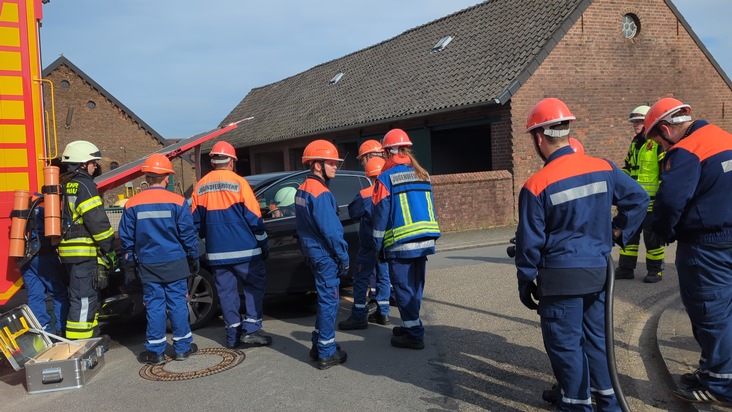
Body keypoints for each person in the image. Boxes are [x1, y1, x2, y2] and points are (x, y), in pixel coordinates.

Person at [514, 98, 648, 411]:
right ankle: (608, 400)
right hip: (599, 271)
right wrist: (618, 232)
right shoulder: (603, 168)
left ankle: (575, 405)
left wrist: (525, 281)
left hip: (560, 280)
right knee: (597, 339)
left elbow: (529, 243)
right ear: (567, 130)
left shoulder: (536, 185)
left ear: (538, 138)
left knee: (566, 346)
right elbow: (639, 199)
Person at [645, 97, 732, 407]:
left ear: (667, 129)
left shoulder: (687, 150)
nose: (661, 148)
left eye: (657, 141)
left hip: (706, 244)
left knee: (709, 311)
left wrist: (661, 230)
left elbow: (670, 201)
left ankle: (721, 386)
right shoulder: (725, 139)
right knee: (727, 310)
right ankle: (714, 372)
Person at [191, 141, 272, 349]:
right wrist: (263, 243)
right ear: (232, 161)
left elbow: (195, 223)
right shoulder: (239, 183)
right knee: (254, 287)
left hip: (217, 253)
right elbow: (254, 218)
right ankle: (252, 330)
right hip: (246, 250)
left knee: (226, 292)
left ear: (213, 162)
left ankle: (233, 335)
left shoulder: (200, 186)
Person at [119, 154, 199, 365]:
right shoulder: (178, 202)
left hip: (148, 263)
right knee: (178, 303)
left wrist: (128, 262)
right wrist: (193, 257)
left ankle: (156, 352)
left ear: (147, 177)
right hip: (175, 261)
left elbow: (126, 239)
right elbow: (188, 234)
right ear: (166, 178)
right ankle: (182, 349)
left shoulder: (132, 204)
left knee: (154, 305)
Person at [372, 128, 441, 350]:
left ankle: (414, 334)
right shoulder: (423, 174)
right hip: (424, 240)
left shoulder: (385, 178)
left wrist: (377, 246)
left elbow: (380, 216)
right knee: (414, 288)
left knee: (403, 288)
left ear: (389, 152)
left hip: (401, 243)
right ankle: (410, 323)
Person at [294, 139, 349, 369]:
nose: (336, 167)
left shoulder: (302, 189)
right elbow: (332, 232)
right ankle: (326, 352)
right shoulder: (321, 192)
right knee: (329, 302)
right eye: (332, 163)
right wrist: (344, 258)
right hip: (325, 256)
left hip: (313, 253)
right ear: (318, 165)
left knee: (324, 300)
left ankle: (319, 344)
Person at [58, 140, 115, 340]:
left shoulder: (66, 184)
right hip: (83, 254)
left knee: (80, 298)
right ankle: (80, 345)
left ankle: (93, 338)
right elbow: (96, 221)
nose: (96, 166)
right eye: (93, 162)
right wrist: (110, 246)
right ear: (83, 164)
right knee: (84, 300)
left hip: (68, 253)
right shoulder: (85, 185)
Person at [339, 156, 390, 330]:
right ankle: (383, 313)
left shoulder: (366, 194)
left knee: (361, 278)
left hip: (368, 243)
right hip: (385, 243)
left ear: (369, 176)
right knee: (384, 277)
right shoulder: (391, 190)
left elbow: (353, 213)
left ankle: (359, 316)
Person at [616, 105, 666, 283]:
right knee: (629, 236)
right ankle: (625, 268)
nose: (635, 125)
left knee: (652, 240)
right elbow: (630, 169)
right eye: (634, 122)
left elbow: (664, 174)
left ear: (648, 122)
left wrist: (662, 199)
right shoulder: (635, 144)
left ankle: (655, 270)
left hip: (653, 203)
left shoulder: (657, 144)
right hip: (635, 202)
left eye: (638, 121)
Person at [19, 195, 69, 335]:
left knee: (35, 296)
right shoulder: (46, 207)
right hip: (44, 256)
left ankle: (43, 333)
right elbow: (53, 238)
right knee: (58, 292)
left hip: (25, 257)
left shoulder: (25, 207)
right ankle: (61, 331)